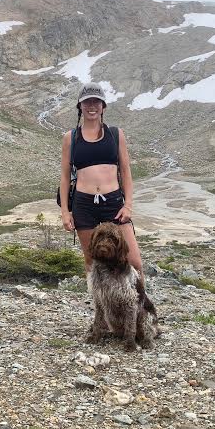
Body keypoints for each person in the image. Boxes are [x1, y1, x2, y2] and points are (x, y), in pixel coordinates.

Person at [59, 82, 147, 295]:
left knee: (134, 262)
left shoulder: (116, 134)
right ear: (80, 106)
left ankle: (141, 312)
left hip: (113, 203)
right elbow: (64, 176)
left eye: (96, 101)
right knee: (92, 264)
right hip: (83, 204)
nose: (92, 106)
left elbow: (125, 171)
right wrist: (65, 212)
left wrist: (128, 205)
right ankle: (104, 315)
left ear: (103, 106)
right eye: (87, 101)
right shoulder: (71, 138)